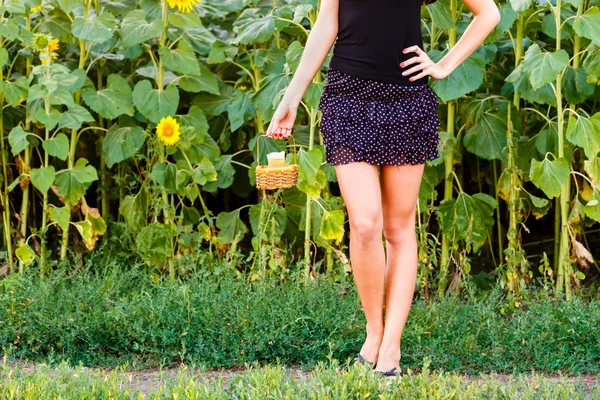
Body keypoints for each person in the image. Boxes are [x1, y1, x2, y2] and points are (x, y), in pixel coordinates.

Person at [266, 0, 501, 378]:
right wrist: (291, 97)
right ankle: (373, 331)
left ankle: (391, 345)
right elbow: (328, 21)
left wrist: (444, 65)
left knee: (397, 229)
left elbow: (488, 12)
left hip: (407, 101)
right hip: (347, 98)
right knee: (364, 223)